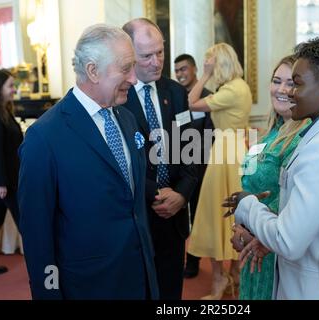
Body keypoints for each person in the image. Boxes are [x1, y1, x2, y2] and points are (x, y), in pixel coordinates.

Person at [18, 24, 158, 300]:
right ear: (93, 71)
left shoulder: (127, 119)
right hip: (88, 287)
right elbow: (37, 236)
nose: (134, 77)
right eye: (125, 68)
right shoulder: (44, 137)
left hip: (140, 279)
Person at [226, 36, 319, 299]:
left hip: (317, 287)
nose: (290, 92)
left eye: (298, 84)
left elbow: (288, 240)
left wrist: (247, 205)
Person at [122, 18, 198, 300]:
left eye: (160, 53)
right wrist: (156, 192)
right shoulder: (118, 95)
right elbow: (120, 163)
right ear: (128, 55)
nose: (156, 62)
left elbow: (192, 150)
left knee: (170, 290)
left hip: (174, 215)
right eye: (146, 56)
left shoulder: (176, 93)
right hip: (138, 212)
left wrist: (182, 195)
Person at [231, 55, 310, 300]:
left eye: (291, 83)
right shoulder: (271, 131)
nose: (282, 89)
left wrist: (253, 232)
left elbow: (293, 200)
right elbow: (252, 185)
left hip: (273, 248)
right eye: (277, 81)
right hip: (253, 243)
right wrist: (241, 226)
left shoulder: (305, 137)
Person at [187, 42, 252, 300]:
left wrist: (203, 75)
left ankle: (220, 278)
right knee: (236, 214)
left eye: (210, 63)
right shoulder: (240, 86)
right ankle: (233, 275)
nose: (207, 67)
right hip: (238, 149)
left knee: (217, 214)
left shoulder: (231, 90)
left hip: (225, 152)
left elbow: (191, 102)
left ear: (218, 63)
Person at [174, 53, 214, 279]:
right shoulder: (175, 96)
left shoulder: (208, 97)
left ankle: (194, 261)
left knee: (199, 215)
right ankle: (180, 256)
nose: (180, 74)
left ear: (195, 69)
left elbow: (210, 134)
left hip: (201, 167)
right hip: (178, 168)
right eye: (177, 70)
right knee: (180, 216)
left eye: (183, 69)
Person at [0, 69, 22, 275]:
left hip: (10, 180)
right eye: (10, 86)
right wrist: (0, 182)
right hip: (5, 183)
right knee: (25, 222)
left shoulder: (5, 111)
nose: (14, 90)